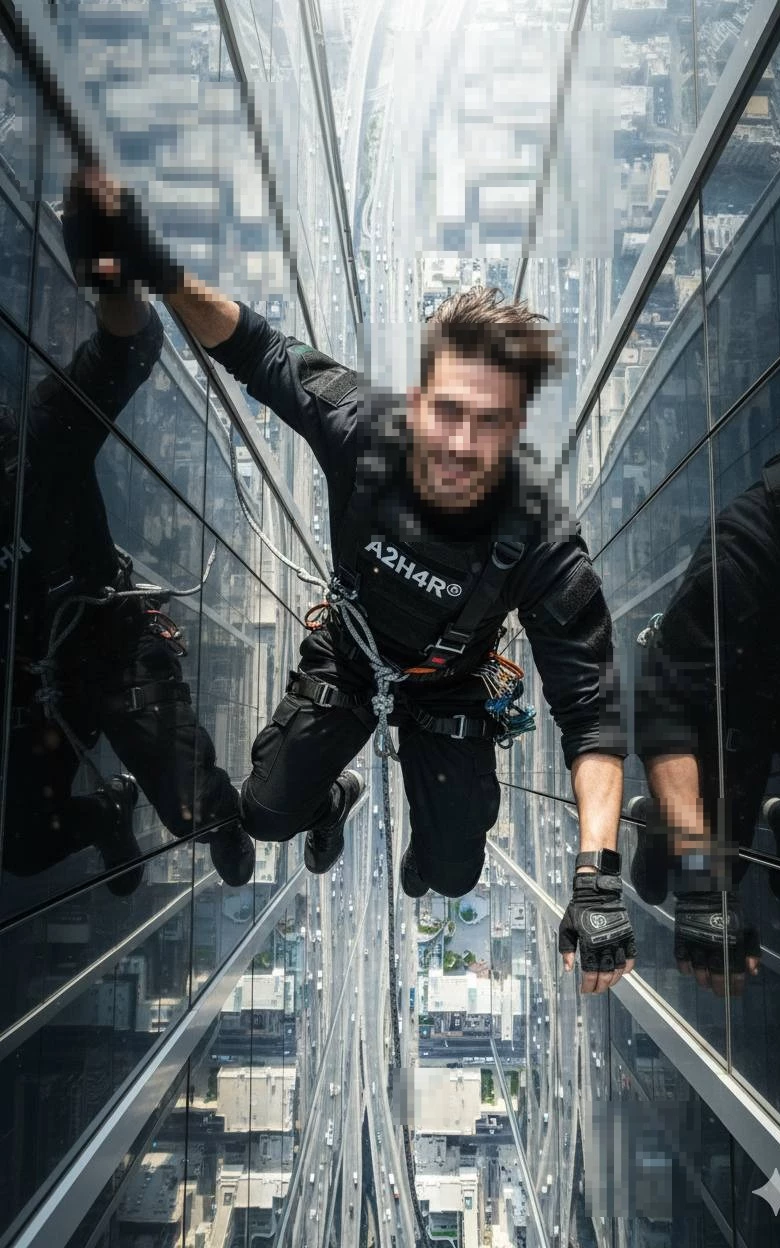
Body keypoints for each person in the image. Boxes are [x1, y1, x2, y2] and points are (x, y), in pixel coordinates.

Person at [64, 165, 636, 993]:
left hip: (452, 686)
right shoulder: (364, 429)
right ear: (415, 399)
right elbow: (256, 349)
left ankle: (430, 825)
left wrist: (597, 878)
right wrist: (157, 268)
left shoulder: (543, 542)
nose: (461, 444)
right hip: (351, 652)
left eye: (490, 423)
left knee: (452, 876)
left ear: (517, 430)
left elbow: (591, 720)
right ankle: (337, 796)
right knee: (264, 816)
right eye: (447, 412)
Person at [0, 173, 255, 898]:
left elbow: (125, 352)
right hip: (36, 680)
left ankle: (218, 819)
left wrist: (112, 274)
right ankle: (106, 815)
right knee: (19, 842)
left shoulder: (33, 450)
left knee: (191, 806)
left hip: (108, 643)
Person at [632, 344, 780, 996]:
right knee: (705, 869)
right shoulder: (750, 547)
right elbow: (666, 707)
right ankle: (661, 824)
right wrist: (700, 884)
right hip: (727, 710)